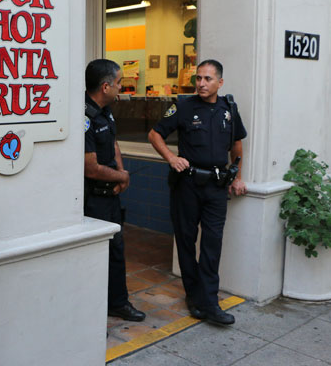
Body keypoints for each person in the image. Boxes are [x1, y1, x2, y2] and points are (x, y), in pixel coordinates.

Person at [148, 59, 247, 325]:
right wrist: (170, 157)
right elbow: (155, 134)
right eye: (198, 78)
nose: (201, 84)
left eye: (207, 79)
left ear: (220, 83)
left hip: (216, 186)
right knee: (186, 240)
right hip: (187, 185)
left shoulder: (229, 109)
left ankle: (210, 301)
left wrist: (237, 176)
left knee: (212, 243)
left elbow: (236, 145)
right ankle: (193, 295)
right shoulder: (182, 106)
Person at [84, 59, 146, 322]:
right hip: (93, 199)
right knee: (96, 256)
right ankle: (94, 309)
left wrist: (122, 174)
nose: (122, 87)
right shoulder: (85, 116)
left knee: (116, 252)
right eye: (119, 83)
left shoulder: (106, 110)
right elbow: (90, 168)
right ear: (106, 86)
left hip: (110, 196)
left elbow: (114, 143)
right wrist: (120, 175)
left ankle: (118, 303)